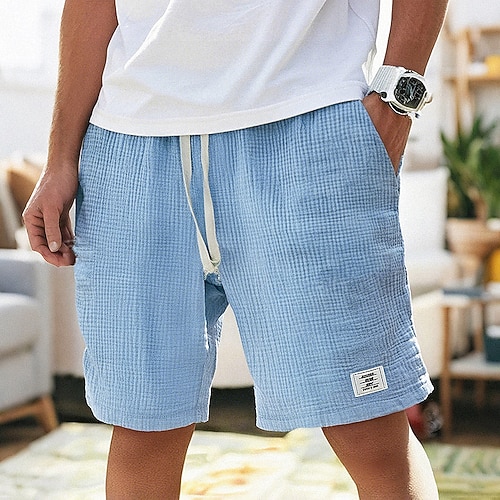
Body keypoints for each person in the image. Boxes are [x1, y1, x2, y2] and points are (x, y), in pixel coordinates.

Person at [24, 0, 448, 498]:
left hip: (306, 122)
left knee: (371, 432)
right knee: (142, 430)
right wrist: (60, 158)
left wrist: (398, 95)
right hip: (128, 146)